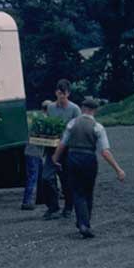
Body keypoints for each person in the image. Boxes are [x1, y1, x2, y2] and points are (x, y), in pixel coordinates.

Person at [51, 98, 125, 238]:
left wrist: (55, 158)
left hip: (73, 158)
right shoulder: (98, 127)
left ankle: (82, 223)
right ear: (94, 110)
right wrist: (118, 169)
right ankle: (85, 223)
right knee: (88, 192)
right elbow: (104, 152)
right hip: (89, 159)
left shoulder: (72, 124)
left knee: (77, 192)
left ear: (82, 108)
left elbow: (62, 144)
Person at [42, 79, 81, 220]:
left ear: (68, 94)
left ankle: (68, 207)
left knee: (66, 180)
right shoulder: (51, 108)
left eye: (63, 95)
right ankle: (53, 207)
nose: (61, 97)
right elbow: (47, 125)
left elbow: (78, 130)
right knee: (46, 178)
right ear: (56, 93)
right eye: (59, 94)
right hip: (52, 148)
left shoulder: (75, 109)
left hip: (67, 149)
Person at [21, 100, 51, 210]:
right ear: (47, 109)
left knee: (39, 176)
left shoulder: (38, 119)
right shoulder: (42, 120)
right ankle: (26, 201)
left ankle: (40, 198)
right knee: (33, 176)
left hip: (33, 152)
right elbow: (38, 138)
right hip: (33, 152)